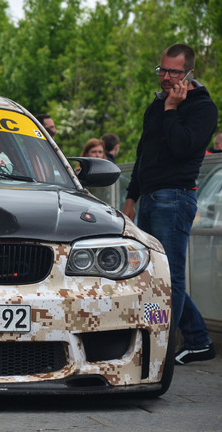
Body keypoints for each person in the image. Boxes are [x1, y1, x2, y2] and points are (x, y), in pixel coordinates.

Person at [123, 43, 217, 365]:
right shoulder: (157, 106)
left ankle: (160, 350)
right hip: (149, 198)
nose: (164, 77)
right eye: (161, 70)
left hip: (174, 197)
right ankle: (199, 339)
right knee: (152, 276)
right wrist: (131, 196)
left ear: (189, 72)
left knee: (170, 278)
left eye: (172, 72)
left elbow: (182, 147)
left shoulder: (202, 107)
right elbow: (143, 154)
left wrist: (173, 110)